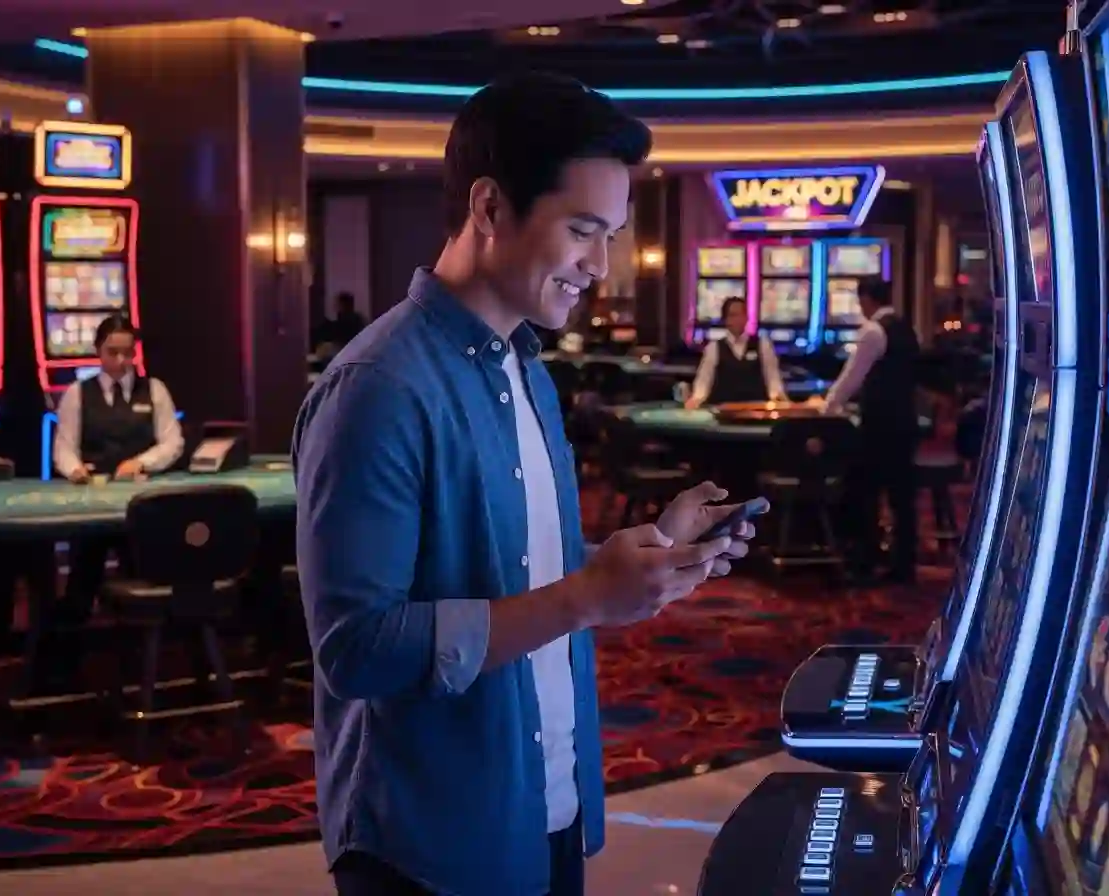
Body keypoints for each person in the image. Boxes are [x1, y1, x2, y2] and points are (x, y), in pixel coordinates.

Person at [293, 72, 760, 896]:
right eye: (582, 229)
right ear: (490, 207)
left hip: (544, 799)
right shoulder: (378, 386)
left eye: (611, 234)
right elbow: (357, 651)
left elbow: (511, 566)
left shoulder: (529, 369)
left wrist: (639, 556)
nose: (601, 265)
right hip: (429, 841)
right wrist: (585, 598)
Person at [52, 314, 184, 620]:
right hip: (92, 503)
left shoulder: (154, 389)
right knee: (83, 578)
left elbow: (172, 442)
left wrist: (141, 461)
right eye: (113, 352)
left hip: (141, 503)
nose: (122, 360)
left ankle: (143, 642)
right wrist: (75, 470)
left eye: (128, 352)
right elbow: (64, 446)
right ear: (98, 350)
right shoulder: (77, 394)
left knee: (144, 576)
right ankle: (70, 642)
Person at [822, 279, 920, 583]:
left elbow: (851, 378)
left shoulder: (873, 331)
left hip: (880, 426)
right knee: (901, 497)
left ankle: (865, 562)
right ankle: (903, 565)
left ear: (866, 299)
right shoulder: (905, 327)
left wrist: (827, 408)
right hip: (905, 422)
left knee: (866, 492)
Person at [685, 296, 786, 408]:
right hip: (722, 412)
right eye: (733, 315)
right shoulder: (714, 348)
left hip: (756, 411)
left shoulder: (763, 345)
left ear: (747, 317)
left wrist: (779, 397)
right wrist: (696, 399)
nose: (738, 319)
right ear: (725, 320)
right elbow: (704, 379)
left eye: (741, 314)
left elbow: (772, 377)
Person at [312, 291, 367, 355]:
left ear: (342, 305)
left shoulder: (347, 322)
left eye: (337, 304)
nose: (335, 306)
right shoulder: (358, 319)